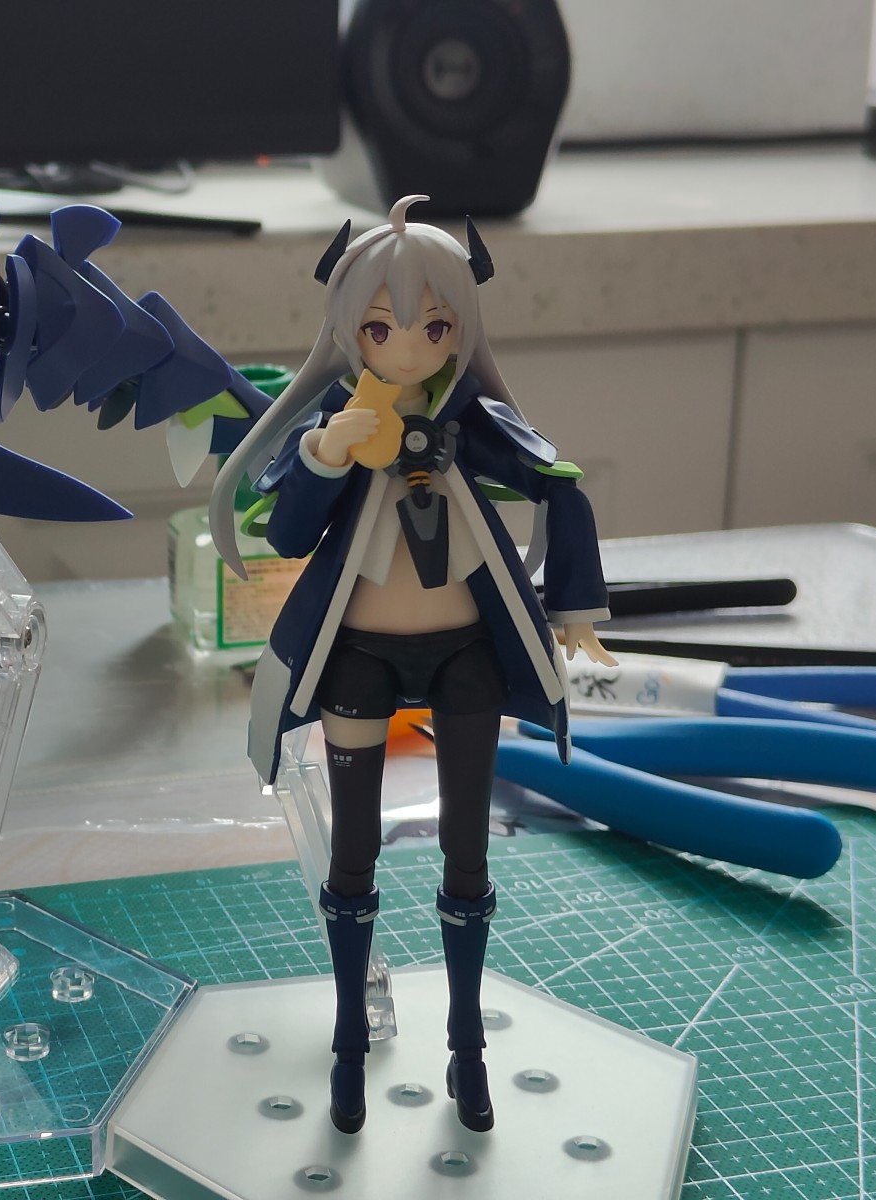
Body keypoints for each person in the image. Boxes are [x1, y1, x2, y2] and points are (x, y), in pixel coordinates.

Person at [209, 195, 616, 1135]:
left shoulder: (470, 418)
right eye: (380, 326)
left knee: (467, 857)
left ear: (460, 329)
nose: (408, 344)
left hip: (468, 653)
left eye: (435, 326)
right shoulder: (338, 421)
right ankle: (349, 1048)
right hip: (357, 658)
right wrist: (324, 453)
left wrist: (574, 605)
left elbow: (558, 483)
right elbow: (287, 534)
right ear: (347, 328)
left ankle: (467, 1051)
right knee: (351, 858)